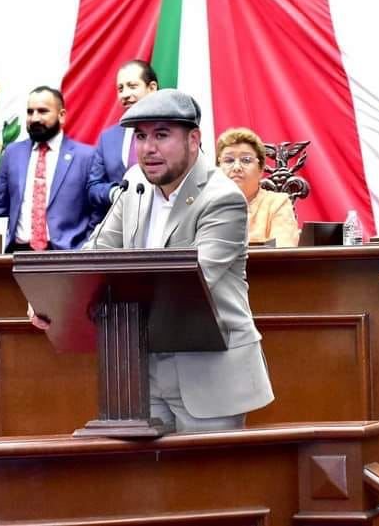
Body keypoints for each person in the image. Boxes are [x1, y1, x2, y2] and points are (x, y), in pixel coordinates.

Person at [74, 89, 274, 433]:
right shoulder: (134, 184)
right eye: (141, 136)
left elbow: (192, 281)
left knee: (205, 470)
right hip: (142, 374)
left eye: (162, 135)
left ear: (193, 140)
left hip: (209, 376)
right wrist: (63, 294)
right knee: (145, 471)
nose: (148, 148)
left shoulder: (222, 198)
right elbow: (98, 250)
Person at [0, 86, 96, 251]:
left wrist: (85, 248)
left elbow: (97, 210)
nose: (34, 118)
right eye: (30, 112)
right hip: (17, 252)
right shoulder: (12, 153)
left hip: (67, 254)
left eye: (42, 111)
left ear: (61, 115)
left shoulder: (86, 157)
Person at [87, 59, 159, 217]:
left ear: (152, 88)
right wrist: (115, 193)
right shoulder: (108, 138)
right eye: (120, 89)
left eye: (132, 86)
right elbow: (94, 187)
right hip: (119, 225)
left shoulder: (175, 131)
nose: (125, 94)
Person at [215, 127, 299, 247]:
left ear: (261, 169)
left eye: (246, 160)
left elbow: (283, 251)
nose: (237, 167)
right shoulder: (206, 206)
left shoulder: (277, 203)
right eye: (229, 160)